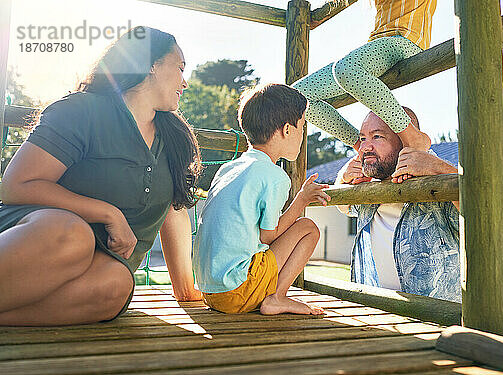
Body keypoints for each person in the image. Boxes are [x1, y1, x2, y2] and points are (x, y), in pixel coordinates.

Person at [0, 27, 203, 326]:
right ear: (151, 64)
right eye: (181, 68)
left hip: (101, 265)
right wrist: (108, 213)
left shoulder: (176, 138)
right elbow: (16, 186)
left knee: (117, 285)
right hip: (37, 238)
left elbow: (174, 210)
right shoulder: (81, 110)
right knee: (73, 235)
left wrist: (185, 288)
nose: (185, 82)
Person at [336, 111, 503, 302]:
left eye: (377, 136)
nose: (364, 147)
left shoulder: (436, 188)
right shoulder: (368, 189)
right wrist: (343, 175)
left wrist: (439, 169)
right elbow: (342, 206)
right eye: (362, 138)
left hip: (437, 325)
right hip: (376, 315)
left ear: (404, 144)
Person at [193, 83, 329, 315]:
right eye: (302, 127)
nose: (302, 134)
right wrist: (302, 200)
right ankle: (277, 298)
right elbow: (268, 236)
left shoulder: (228, 169)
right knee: (308, 228)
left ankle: (273, 296)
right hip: (236, 291)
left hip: (209, 290)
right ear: (287, 129)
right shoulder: (275, 176)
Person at [292, 0, 436, 152]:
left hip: (407, 40)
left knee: (347, 68)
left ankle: (413, 137)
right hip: (378, 45)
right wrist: (324, 12)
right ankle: (360, 145)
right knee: (297, 96)